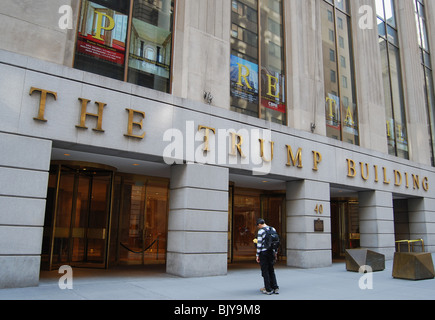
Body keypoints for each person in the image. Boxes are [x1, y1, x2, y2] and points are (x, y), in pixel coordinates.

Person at [255, 218, 279, 295]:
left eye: (258, 226)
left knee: (265, 270)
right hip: (271, 252)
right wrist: (275, 253)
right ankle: (275, 287)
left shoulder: (261, 231)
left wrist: (257, 255)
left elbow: (259, 244)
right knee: (271, 270)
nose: (258, 227)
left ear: (259, 224)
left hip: (264, 253)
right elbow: (275, 242)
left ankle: (268, 289)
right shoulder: (273, 229)